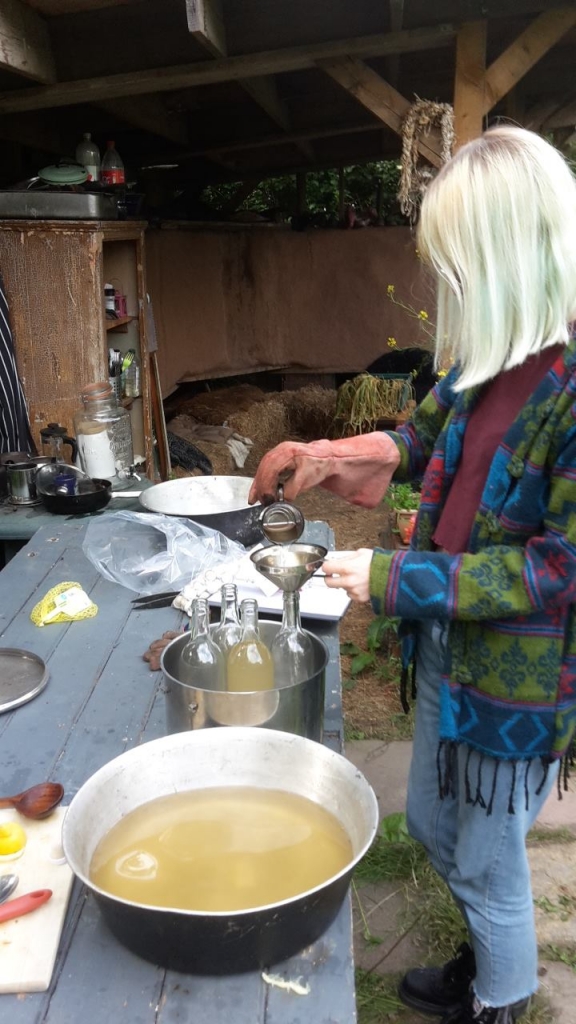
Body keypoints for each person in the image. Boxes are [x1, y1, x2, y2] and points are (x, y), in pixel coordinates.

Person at [248, 125, 576, 1024]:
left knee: (492, 856)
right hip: (446, 647)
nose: (444, 284)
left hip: (518, 678)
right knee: (437, 827)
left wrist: (393, 578)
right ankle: (487, 958)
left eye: (455, 262)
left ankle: (501, 996)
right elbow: (415, 441)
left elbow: (556, 569)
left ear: (509, 255)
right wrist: (323, 452)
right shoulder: (482, 364)